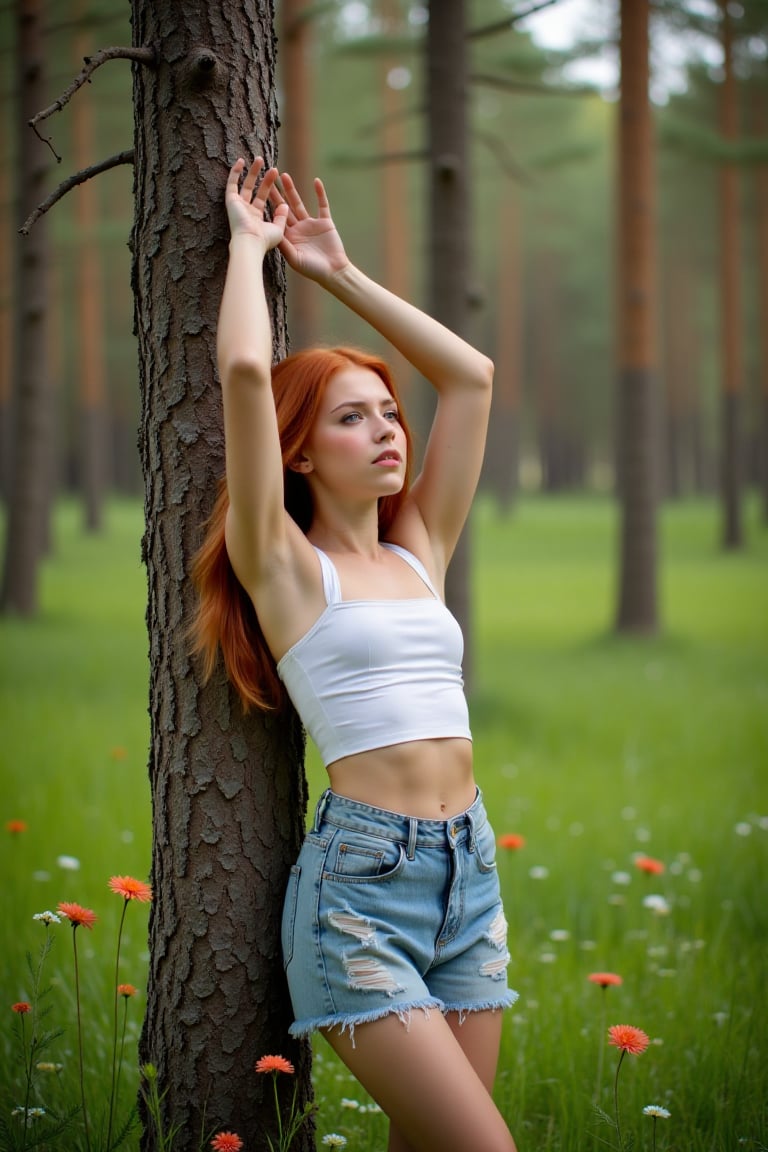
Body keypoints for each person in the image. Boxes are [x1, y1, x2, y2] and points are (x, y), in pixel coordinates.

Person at [192, 154, 519, 1152]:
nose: (387, 431)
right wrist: (251, 252)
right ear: (299, 450)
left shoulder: (419, 546)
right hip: (361, 894)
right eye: (351, 416)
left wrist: (337, 271)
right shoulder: (283, 567)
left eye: (388, 414)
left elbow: (471, 375)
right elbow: (248, 374)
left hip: (469, 877)